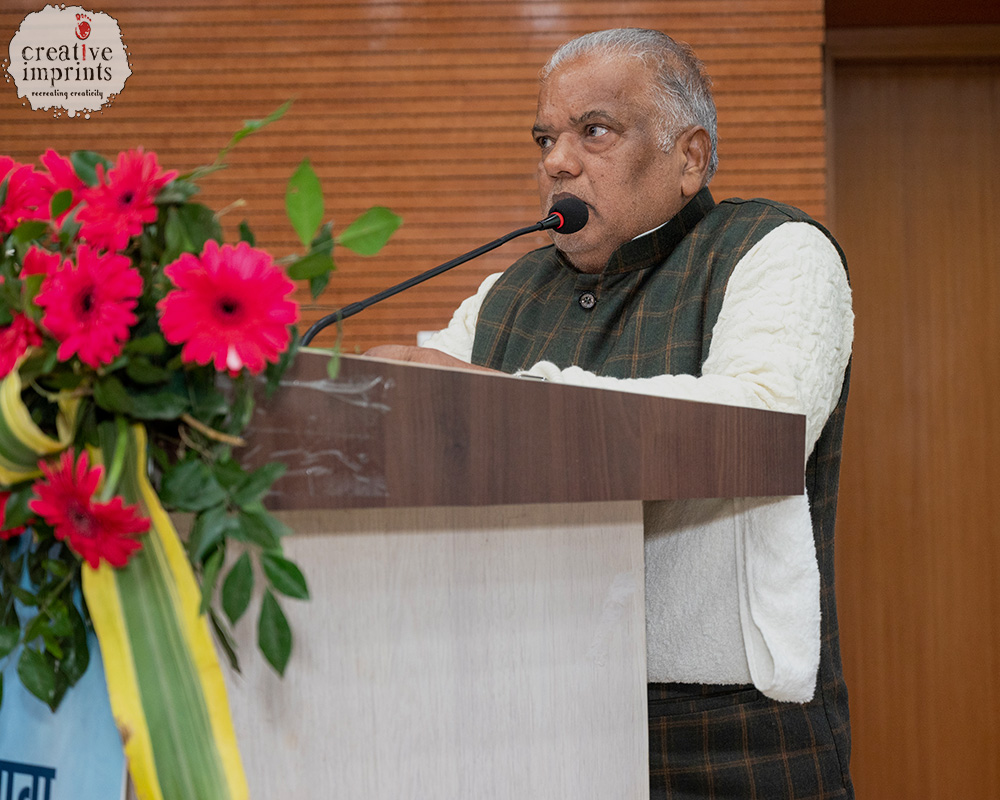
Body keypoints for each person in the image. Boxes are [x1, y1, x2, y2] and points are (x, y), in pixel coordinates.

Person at [367, 28, 854, 799]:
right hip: (522, 720)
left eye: (594, 131)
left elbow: (761, 427)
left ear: (689, 157)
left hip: (726, 744)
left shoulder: (772, 249)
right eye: (545, 138)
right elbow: (416, 425)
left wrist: (508, 405)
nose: (557, 162)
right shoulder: (506, 293)